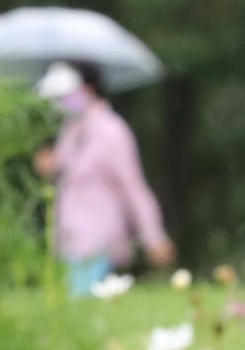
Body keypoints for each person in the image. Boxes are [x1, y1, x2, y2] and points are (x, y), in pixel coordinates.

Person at [33, 61, 175, 296]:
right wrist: (51, 166)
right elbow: (69, 173)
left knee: (81, 305)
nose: (60, 102)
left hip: (98, 239)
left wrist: (153, 236)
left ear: (88, 89)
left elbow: (134, 186)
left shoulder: (112, 131)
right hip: (69, 239)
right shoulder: (70, 129)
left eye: (65, 95)